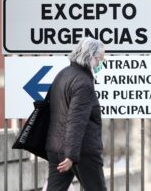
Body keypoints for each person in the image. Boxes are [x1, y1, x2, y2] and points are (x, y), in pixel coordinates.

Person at [45, 37, 107, 191]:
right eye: (100, 59)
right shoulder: (83, 82)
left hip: (56, 149)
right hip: (80, 152)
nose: (100, 63)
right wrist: (71, 156)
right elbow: (76, 120)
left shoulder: (63, 74)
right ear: (90, 56)